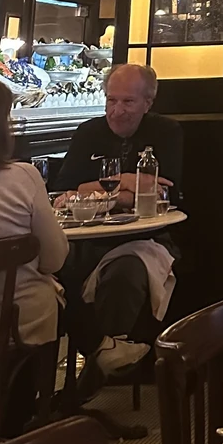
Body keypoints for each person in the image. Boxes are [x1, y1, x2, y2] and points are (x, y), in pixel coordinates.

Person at [53, 62, 183, 382]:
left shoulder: (166, 132)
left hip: (146, 239)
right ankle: (105, 355)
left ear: (148, 103)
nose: (117, 111)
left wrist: (96, 189)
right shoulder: (88, 132)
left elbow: (165, 192)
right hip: (85, 239)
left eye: (127, 102)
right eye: (111, 100)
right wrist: (127, 182)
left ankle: (98, 372)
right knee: (49, 275)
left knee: (124, 274)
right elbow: (65, 190)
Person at [0, 77, 68, 435]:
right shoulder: (22, 178)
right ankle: (16, 420)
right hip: (12, 321)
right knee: (43, 296)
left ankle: (0, 415)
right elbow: (55, 259)